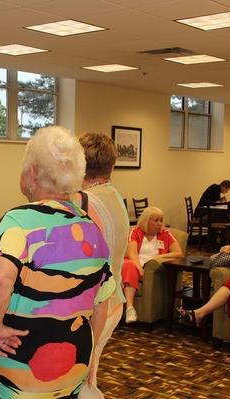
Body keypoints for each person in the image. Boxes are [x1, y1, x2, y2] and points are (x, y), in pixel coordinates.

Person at [0, 126, 116, 398]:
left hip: (23, 362)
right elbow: (101, 302)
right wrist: (92, 349)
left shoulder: (18, 222)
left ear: (32, 174)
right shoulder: (92, 228)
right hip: (74, 361)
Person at [74, 131, 128, 399]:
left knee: (81, 380)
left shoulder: (82, 202)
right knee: (88, 373)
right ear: (112, 166)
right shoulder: (115, 197)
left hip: (94, 307)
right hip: (113, 301)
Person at [121, 206, 183, 324]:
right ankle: (130, 308)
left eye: (161, 220)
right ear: (146, 221)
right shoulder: (136, 231)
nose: (160, 224)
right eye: (156, 220)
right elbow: (131, 252)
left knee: (130, 268)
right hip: (135, 264)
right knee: (128, 266)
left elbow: (178, 253)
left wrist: (159, 257)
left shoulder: (166, 233)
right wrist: (139, 269)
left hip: (152, 267)